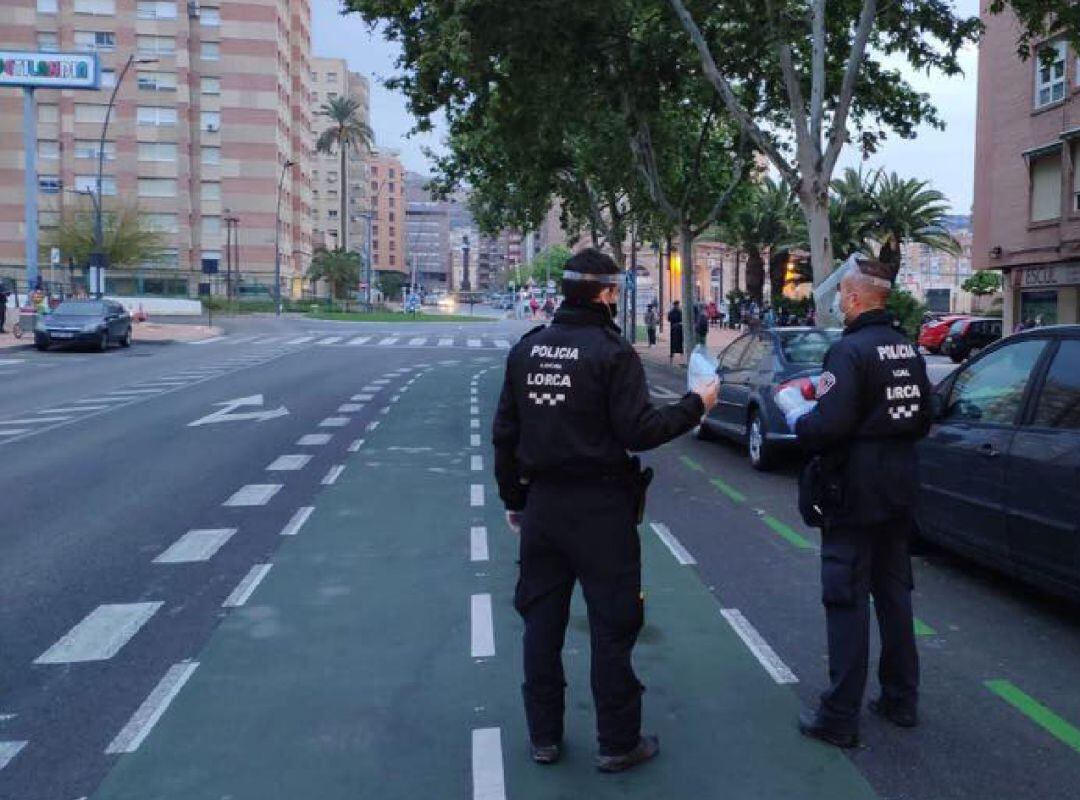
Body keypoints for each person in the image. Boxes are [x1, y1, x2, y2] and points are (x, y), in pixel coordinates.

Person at [493, 248, 718, 773]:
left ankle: (544, 737)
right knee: (613, 628)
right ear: (608, 293)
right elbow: (640, 431)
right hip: (601, 511)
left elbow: (506, 434)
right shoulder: (611, 353)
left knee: (540, 626)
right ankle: (618, 741)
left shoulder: (528, 350)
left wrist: (514, 500)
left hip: (543, 509)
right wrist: (696, 406)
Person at [783, 256, 932, 749]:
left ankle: (840, 715)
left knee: (845, 598)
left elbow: (828, 427)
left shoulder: (849, 353)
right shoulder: (907, 349)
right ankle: (900, 698)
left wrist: (799, 416)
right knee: (893, 597)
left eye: (842, 297)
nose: (840, 306)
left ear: (854, 298)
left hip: (854, 492)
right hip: (900, 488)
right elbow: (923, 416)